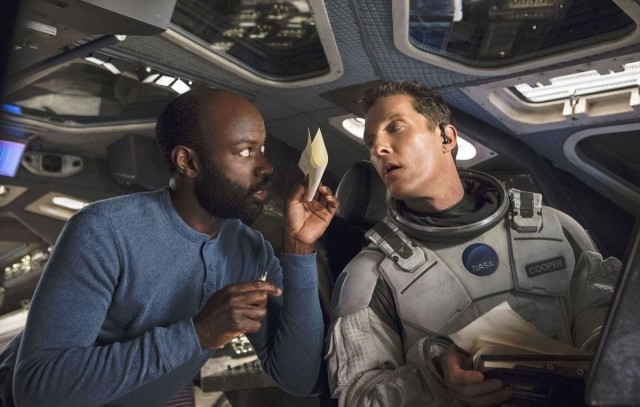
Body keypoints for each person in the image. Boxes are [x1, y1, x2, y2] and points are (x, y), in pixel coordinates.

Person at [0, 87, 338, 407]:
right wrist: (198, 334)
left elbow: (300, 379)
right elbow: (37, 392)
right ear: (188, 162)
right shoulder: (104, 231)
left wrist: (298, 249)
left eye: (262, 149)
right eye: (246, 151)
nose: (266, 167)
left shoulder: (250, 250)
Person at [324, 80, 620, 407]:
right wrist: (438, 377)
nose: (378, 147)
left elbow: (607, 322)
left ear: (446, 138)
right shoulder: (370, 274)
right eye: (370, 142)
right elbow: (357, 395)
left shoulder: (556, 227)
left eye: (395, 127)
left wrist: (601, 365)